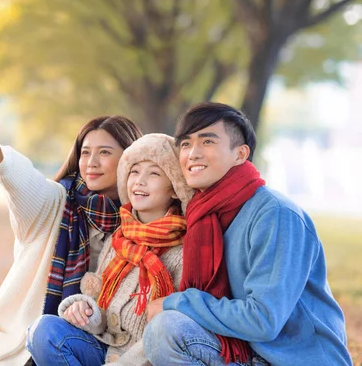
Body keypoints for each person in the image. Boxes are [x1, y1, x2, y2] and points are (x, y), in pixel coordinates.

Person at [143, 103, 352, 366]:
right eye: (185, 144)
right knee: (164, 330)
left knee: (169, 327)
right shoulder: (202, 214)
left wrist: (179, 302)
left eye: (207, 141)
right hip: (247, 352)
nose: (193, 154)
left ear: (241, 154)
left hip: (296, 358)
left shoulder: (276, 214)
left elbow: (263, 320)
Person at [0, 115, 143, 366]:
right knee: (47, 332)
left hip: (105, 347)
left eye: (104, 152)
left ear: (129, 158)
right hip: (33, 343)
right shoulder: (55, 204)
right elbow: (21, 182)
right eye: (85, 153)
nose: (91, 163)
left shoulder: (144, 219)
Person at [27, 133, 195, 365]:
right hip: (102, 347)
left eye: (154, 173)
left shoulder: (183, 250)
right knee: (44, 330)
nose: (140, 181)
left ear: (175, 188)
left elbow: (168, 334)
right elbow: (101, 311)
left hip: (142, 359)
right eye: (134, 172)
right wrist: (84, 309)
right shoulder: (119, 236)